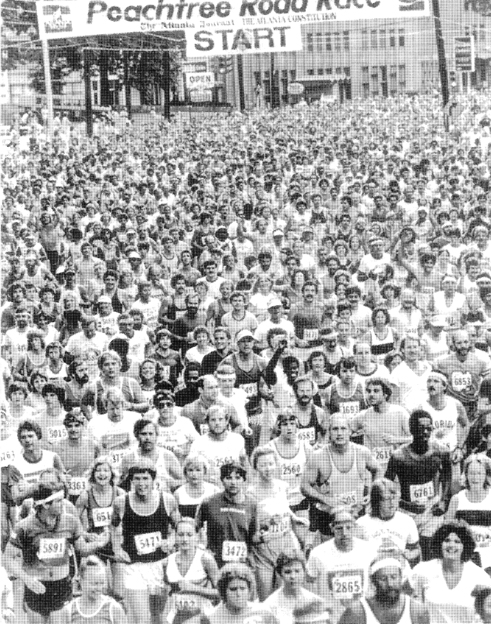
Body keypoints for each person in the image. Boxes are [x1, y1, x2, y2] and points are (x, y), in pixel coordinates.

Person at [4, 478, 109, 624]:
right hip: (36, 587)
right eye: (59, 501)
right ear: (46, 504)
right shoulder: (24, 527)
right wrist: (27, 580)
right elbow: (7, 559)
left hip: (61, 587)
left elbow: (82, 550)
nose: (64, 504)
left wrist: (99, 543)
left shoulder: (70, 521)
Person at [111, 459, 180, 624]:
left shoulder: (167, 500)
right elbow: (113, 527)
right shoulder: (121, 502)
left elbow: (180, 527)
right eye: (137, 479)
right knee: (142, 619)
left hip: (160, 565)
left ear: (153, 480)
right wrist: (116, 549)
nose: (141, 483)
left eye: (145, 478)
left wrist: (171, 540)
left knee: (158, 616)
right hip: (134, 567)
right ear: (131, 480)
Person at [385, 409, 452, 561]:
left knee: (430, 551)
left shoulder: (441, 451)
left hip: (431, 509)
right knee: (411, 554)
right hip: (408, 510)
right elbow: (386, 485)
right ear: (411, 429)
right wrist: (400, 503)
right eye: (421, 428)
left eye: (429, 428)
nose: (425, 432)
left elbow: (447, 475)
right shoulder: (399, 456)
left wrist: (443, 501)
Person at [302, 414, 381, 539]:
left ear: (350, 431)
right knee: (331, 554)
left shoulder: (362, 452)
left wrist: (372, 492)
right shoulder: (318, 456)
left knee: (357, 551)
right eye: (335, 429)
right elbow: (304, 486)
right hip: (328, 517)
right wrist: (324, 499)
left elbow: (377, 469)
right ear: (329, 432)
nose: (339, 433)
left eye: (343, 429)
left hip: (356, 512)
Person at [247, 446, 306, 600]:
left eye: (270, 464)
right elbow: (250, 524)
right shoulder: (250, 493)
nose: (267, 468)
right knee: (266, 595)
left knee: (289, 592)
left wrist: (294, 518)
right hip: (264, 548)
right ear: (255, 467)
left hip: (286, 541)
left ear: (276, 464)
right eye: (262, 465)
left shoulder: (283, 486)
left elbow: (284, 508)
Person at [306, 505, 377, 624]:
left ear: (354, 527)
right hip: (333, 619)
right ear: (331, 528)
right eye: (339, 528)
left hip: (364, 618)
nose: (344, 533)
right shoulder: (318, 554)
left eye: (348, 527)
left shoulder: (369, 551)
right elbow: (309, 587)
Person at [412, 522, 491, 624]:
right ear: (439, 543)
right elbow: (406, 600)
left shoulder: (480, 577)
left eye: (457, 542)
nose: (451, 545)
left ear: (465, 546)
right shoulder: (423, 570)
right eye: (447, 540)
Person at [75, 457, 125, 598]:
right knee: (99, 589)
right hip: (96, 545)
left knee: (119, 592)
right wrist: (85, 535)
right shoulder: (85, 496)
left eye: (106, 470)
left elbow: (130, 520)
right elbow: (73, 522)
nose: (102, 474)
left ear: (111, 474)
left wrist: (118, 534)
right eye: (98, 470)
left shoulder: (120, 494)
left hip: (116, 544)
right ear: (93, 474)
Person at [195, 462, 257, 569]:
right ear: (222, 480)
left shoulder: (251, 504)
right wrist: (202, 548)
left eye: (237, 478)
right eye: (228, 478)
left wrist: (267, 535)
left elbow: (254, 536)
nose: (233, 482)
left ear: (244, 480)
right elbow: (194, 529)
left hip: (242, 563)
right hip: (215, 563)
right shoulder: (209, 503)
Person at [339, 555, 430, 624]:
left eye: (394, 577)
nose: (390, 584)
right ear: (373, 581)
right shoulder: (357, 612)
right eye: (383, 579)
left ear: (401, 577)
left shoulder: (417, 610)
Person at [162, 517, 219, 624]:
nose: (185, 539)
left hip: (202, 617)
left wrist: (193, 588)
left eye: (189, 535)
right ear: (175, 536)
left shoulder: (205, 559)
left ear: (197, 536)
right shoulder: (167, 561)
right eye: (181, 535)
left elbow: (221, 592)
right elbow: (165, 593)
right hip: (176, 618)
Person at [349, 377, 411, 469]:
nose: (371, 394)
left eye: (376, 391)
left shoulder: (399, 412)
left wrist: (396, 439)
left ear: (385, 394)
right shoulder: (364, 415)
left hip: (397, 467)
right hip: (373, 469)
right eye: (369, 391)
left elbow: (415, 438)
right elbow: (346, 431)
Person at [357, 478, 421, 567]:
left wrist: (410, 555)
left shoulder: (407, 521)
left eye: (394, 498)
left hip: (400, 570)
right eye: (386, 499)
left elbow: (416, 549)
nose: (391, 503)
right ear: (376, 501)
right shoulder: (361, 523)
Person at [446, 455, 491, 573]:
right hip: (464, 557)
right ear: (466, 475)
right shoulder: (457, 499)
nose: (475, 478)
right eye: (471, 473)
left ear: (486, 475)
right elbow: (446, 532)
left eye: (479, 473)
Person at [119, 419, 184, 494]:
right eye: (143, 434)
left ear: (156, 436)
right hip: (137, 502)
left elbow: (184, 481)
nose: (147, 438)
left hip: (162, 502)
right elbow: (119, 484)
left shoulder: (167, 456)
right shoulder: (129, 458)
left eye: (151, 434)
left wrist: (173, 483)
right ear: (137, 436)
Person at [201, 563, 279, 624]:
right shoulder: (212, 617)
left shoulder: (264, 612)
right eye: (233, 589)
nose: (238, 594)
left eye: (242, 589)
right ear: (224, 592)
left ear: (249, 590)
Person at [264, 551, 330, 624]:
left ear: (304, 572)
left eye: (297, 571)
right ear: (280, 574)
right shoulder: (269, 605)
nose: (293, 576)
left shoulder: (314, 600)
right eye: (287, 572)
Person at [188, 405, 247, 485]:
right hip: (209, 485)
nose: (217, 423)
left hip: (233, 484)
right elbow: (192, 470)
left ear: (226, 421)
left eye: (220, 419)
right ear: (207, 423)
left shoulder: (237, 440)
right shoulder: (198, 443)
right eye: (213, 420)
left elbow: (245, 466)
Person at [60, 555, 127, 624]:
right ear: (81, 581)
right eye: (94, 583)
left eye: (101, 583)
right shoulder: (69, 611)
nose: (99, 588)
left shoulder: (114, 609)